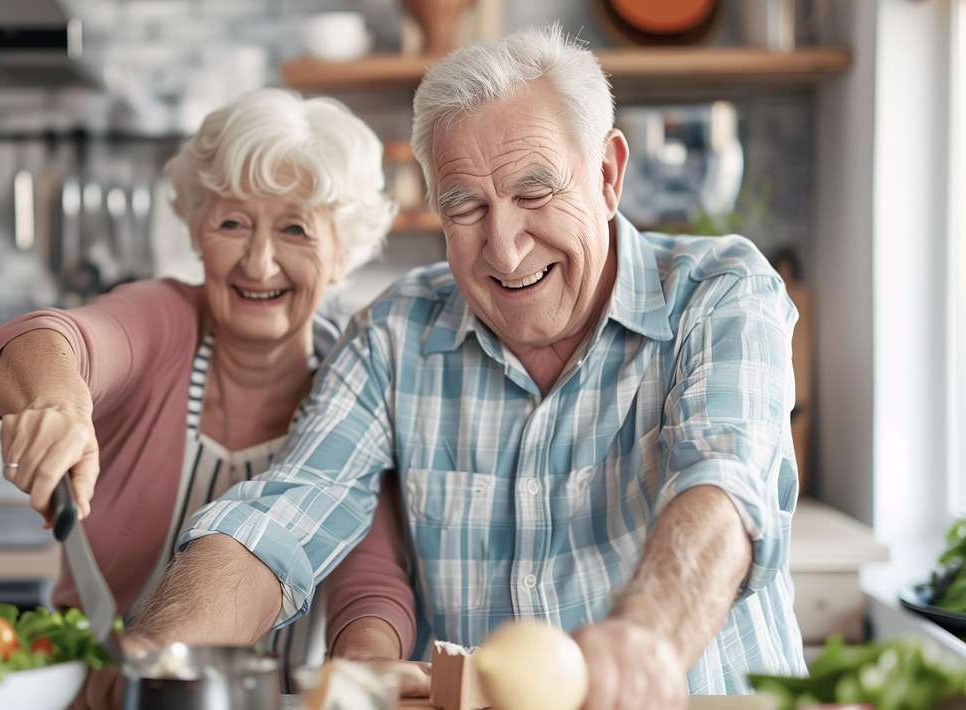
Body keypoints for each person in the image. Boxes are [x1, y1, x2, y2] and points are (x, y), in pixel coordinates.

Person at [116, 22, 808, 710]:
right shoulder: (394, 335)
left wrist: (646, 640)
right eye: (466, 206)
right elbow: (283, 517)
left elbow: (724, 483)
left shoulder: (718, 292)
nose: (504, 249)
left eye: (535, 193)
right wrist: (155, 660)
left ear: (607, 176)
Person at [0, 87, 403, 697]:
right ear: (199, 233)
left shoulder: (358, 383)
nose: (259, 262)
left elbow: (372, 582)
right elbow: (47, 339)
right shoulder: (166, 322)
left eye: (295, 230)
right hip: (93, 695)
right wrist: (57, 405)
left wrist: (363, 669)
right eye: (232, 223)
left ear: (342, 254)